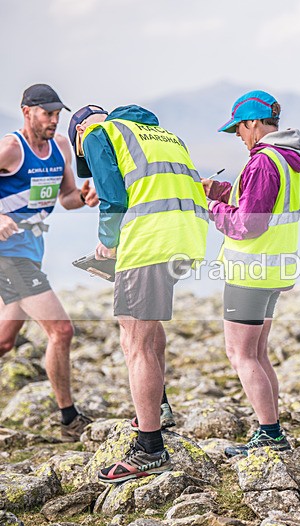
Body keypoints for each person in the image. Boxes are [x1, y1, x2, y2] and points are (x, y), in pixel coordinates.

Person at [69, 104, 208, 482]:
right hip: (186, 238)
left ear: (79, 133)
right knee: (146, 327)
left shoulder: (99, 134)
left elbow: (114, 198)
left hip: (149, 240)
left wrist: (108, 245)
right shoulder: (164, 136)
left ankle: (149, 447)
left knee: (134, 340)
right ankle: (158, 407)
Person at [204, 90, 300, 456]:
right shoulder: (284, 157)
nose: (238, 135)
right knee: (258, 353)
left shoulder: (263, 161)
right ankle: (271, 429)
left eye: (239, 128)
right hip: (273, 268)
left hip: (249, 270)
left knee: (240, 355)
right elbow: (253, 198)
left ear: (253, 123)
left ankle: (270, 434)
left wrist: (210, 208)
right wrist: (218, 190)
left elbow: (248, 223)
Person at [0, 84, 99, 441]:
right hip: (8, 257)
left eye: (58, 114)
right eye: (47, 114)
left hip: (31, 253)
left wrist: (85, 197)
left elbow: (67, 197)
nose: (54, 121)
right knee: (61, 330)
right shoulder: (11, 149)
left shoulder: (59, 148)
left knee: (5, 342)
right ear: (26, 111)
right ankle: (69, 418)